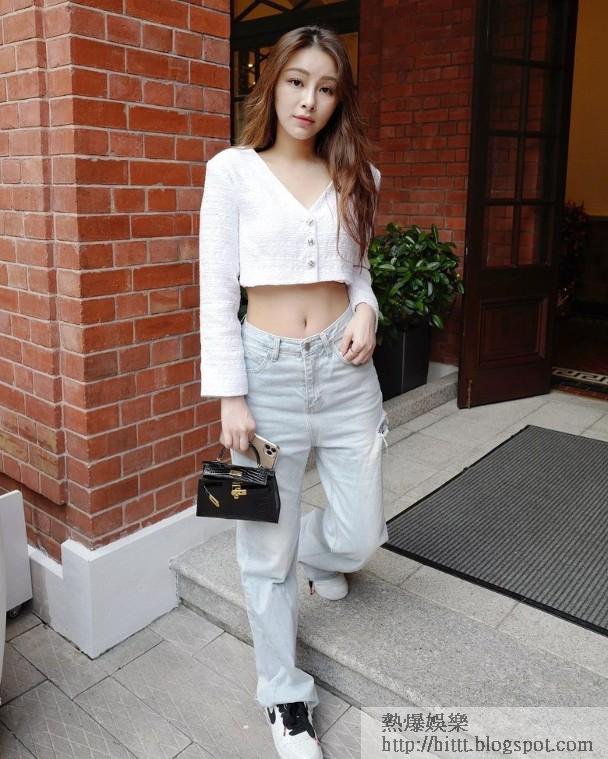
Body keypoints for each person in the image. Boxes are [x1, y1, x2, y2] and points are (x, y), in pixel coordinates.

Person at [198, 24, 389, 759]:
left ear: (340, 100)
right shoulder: (233, 171)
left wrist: (367, 309)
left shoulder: (359, 175)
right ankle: (284, 697)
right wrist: (230, 395)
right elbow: (217, 291)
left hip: (346, 373)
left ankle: (319, 550)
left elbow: (357, 272)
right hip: (265, 374)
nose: (309, 100)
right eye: (297, 81)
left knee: (362, 532)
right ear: (272, 83)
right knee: (261, 553)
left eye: (326, 87)